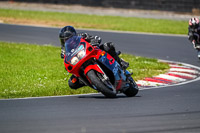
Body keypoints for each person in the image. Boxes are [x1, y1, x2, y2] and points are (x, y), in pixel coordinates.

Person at [59, 26, 129, 89]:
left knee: (108, 46)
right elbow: (65, 58)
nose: (67, 41)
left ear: (74, 35)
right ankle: (90, 81)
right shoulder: (64, 49)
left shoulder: (82, 36)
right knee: (72, 83)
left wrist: (95, 41)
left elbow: (96, 38)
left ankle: (120, 63)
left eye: (69, 38)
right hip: (80, 61)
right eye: (64, 40)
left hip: (92, 54)